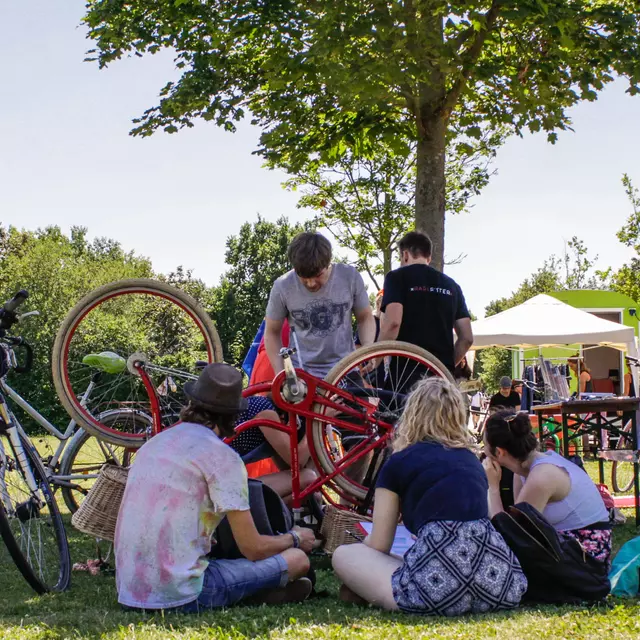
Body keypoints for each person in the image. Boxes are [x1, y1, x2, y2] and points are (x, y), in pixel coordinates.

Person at [115, 363, 316, 612]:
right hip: (182, 594)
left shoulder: (155, 444)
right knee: (297, 560)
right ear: (233, 416)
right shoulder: (222, 457)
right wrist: (295, 538)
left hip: (129, 591)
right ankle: (254, 591)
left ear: (192, 403)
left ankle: (255, 591)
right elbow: (253, 549)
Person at [332, 377, 527, 615]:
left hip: (435, 591)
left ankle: (365, 588)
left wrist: (363, 559)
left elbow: (380, 543)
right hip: (499, 586)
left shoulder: (398, 463)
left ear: (412, 414)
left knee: (344, 554)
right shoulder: (471, 461)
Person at [483, 411, 612, 567]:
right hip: (571, 548)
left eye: (485, 447)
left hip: (587, 564)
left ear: (499, 452)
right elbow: (518, 526)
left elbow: (510, 537)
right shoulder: (526, 469)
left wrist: (492, 487)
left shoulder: (541, 477)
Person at [264, 232, 376, 379]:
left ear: (328, 263)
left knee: (360, 402)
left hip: (345, 370)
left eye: (317, 275)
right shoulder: (282, 286)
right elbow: (272, 332)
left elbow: (365, 317)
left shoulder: (349, 276)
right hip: (302, 374)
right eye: (303, 277)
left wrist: (368, 347)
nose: (311, 283)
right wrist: (282, 375)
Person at [378, 231, 473, 374]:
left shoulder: (396, 277)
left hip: (405, 373)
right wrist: (444, 368)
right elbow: (466, 338)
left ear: (405, 255)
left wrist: (375, 358)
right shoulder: (453, 286)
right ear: (429, 257)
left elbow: (393, 323)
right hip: (440, 378)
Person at [229, 395, 317, 504]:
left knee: (313, 495)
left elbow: (290, 469)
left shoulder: (274, 414)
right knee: (308, 477)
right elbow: (296, 462)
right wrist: (316, 423)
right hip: (219, 487)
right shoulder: (265, 410)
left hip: (223, 484)